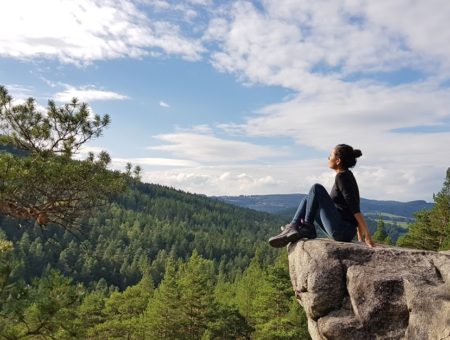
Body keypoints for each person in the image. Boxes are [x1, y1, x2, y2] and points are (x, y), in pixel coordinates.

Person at [269, 144, 375, 248]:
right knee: (307, 199)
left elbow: (354, 208)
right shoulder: (347, 176)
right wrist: (360, 235)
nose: (328, 157)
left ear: (338, 161)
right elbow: (354, 205)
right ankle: (293, 227)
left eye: (331, 155)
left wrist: (367, 235)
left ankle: (306, 228)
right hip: (342, 230)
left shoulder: (342, 177)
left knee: (316, 188)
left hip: (341, 230)